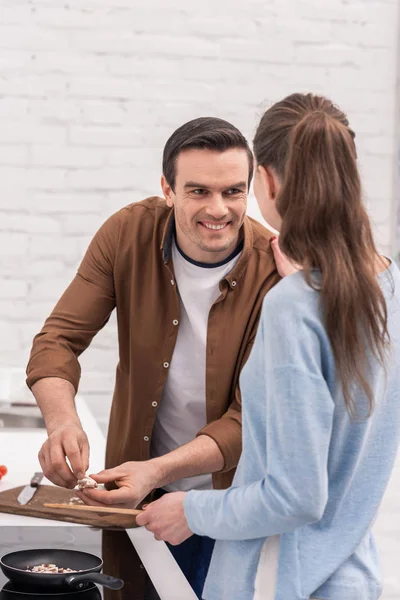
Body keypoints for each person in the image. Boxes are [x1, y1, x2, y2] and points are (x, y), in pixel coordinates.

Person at [130, 93, 400, 600]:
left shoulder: (295, 306)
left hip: (274, 585)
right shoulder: (389, 290)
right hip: (349, 579)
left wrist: (190, 510)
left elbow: (295, 498)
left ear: (268, 181)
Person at [26, 116, 280, 599]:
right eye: (198, 191)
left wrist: (158, 470)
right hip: (138, 497)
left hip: (231, 503)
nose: (218, 209)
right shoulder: (127, 234)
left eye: (233, 191)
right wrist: (62, 421)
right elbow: (57, 340)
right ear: (167, 188)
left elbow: (252, 419)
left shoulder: (274, 269)